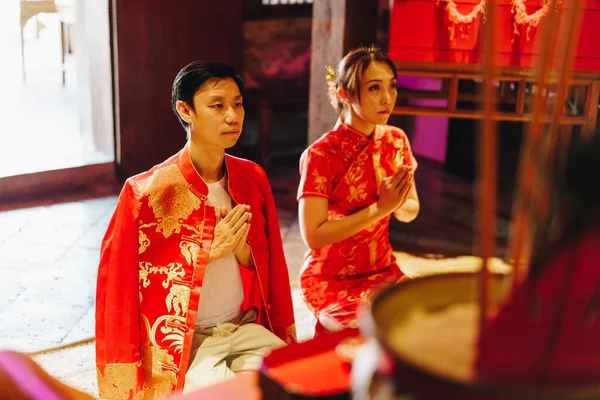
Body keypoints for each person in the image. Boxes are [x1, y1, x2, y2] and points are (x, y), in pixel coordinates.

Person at [95, 61, 296, 399]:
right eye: (217, 105)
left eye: (237, 104)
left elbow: (267, 266)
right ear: (185, 110)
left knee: (293, 383)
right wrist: (207, 252)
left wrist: (241, 249)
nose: (232, 116)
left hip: (243, 325)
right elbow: (123, 286)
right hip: (188, 343)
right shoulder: (145, 193)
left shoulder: (252, 179)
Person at [297, 46, 420, 335]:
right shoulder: (321, 155)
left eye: (392, 86)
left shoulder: (396, 139)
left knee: (421, 319)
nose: (387, 98)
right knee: (366, 334)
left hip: (382, 268)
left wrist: (398, 204)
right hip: (330, 277)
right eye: (374, 88)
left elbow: (411, 209)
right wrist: (381, 208)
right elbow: (313, 236)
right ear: (345, 94)